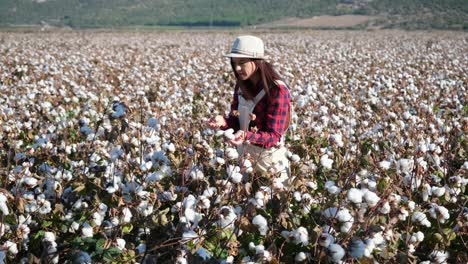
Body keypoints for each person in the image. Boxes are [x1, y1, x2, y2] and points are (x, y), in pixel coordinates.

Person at [207, 35, 291, 185]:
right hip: (244, 161)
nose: (237, 68)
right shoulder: (241, 86)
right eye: (234, 63)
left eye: (242, 63)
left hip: (270, 166)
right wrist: (224, 122)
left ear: (257, 62)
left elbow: (274, 136)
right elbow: (237, 122)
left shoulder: (277, 91)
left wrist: (247, 136)